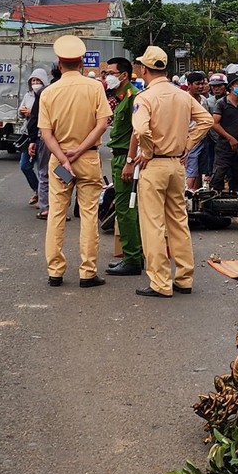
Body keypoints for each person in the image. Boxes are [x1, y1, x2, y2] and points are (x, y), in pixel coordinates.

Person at [127, 46, 212, 298]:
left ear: (144, 69)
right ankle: (184, 278)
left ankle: (160, 282)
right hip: (177, 164)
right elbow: (206, 120)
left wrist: (148, 151)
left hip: (153, 165)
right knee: (178, 222)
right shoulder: (182, 96)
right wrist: (187, 143)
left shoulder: (144, 98)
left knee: (153, 224)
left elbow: (141, 131)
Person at [37, 36, 111, 288]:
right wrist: (79, 151)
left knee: (56, 214)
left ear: (59, 64)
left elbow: (46, 133)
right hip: (88, 158)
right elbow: (102, 124)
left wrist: (64, 157)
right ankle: (87, 272)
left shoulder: (48, 92)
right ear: (81, 62)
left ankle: (55, 271)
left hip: (59, 161)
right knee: (89, 215)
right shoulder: (94, 88)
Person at [103, 59, 144, 278]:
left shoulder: (132, 97)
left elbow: (137, 132)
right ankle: (136, 254)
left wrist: (129, 161)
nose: (107, 76)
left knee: (126, 211)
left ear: (124, 75)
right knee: (129, 210)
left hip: (125, 160)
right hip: (120, 157)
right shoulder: (120, 98)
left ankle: (132, 259)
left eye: (111, 72)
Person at [18, 71, 46, 215]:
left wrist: (32, 113)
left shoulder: (47, 95)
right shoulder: (28, 95)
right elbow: (24, 115)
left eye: (38, 80)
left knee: (53, 170)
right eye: (33, 81)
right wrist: (23, 112)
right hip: (31, 136)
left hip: (46, 138)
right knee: (25, 166)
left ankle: (62, 195)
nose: (35, 83)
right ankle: (38, 192)